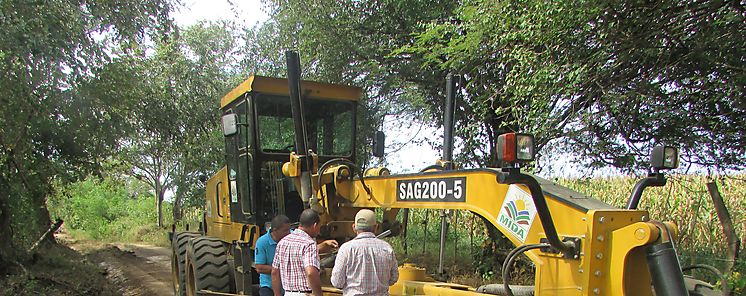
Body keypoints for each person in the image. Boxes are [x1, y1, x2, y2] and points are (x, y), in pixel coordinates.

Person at [331, 209, 399, 296]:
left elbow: (337, 282)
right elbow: (394, 278)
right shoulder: (387, 248)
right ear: (376, 227)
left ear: (354, 227)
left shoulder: (346, 249)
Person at [272, 209, 338, 296]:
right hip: (305, 293)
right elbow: (310, 273)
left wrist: (277, 294)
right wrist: (318, 294)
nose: (319, 231)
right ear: (315, 225)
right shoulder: (309, 244)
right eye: (319, 226)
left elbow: (274, 272)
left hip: (287, 293)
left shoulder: (282, 242)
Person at [255, 215, 292, 296]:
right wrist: (283, 269)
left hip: (289, 286)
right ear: (275, 230)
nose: (289, 233)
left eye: (289, 229)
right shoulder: (262, 242)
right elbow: (259, 268)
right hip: (269, 286)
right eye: (285, 231)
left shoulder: (292, 237)